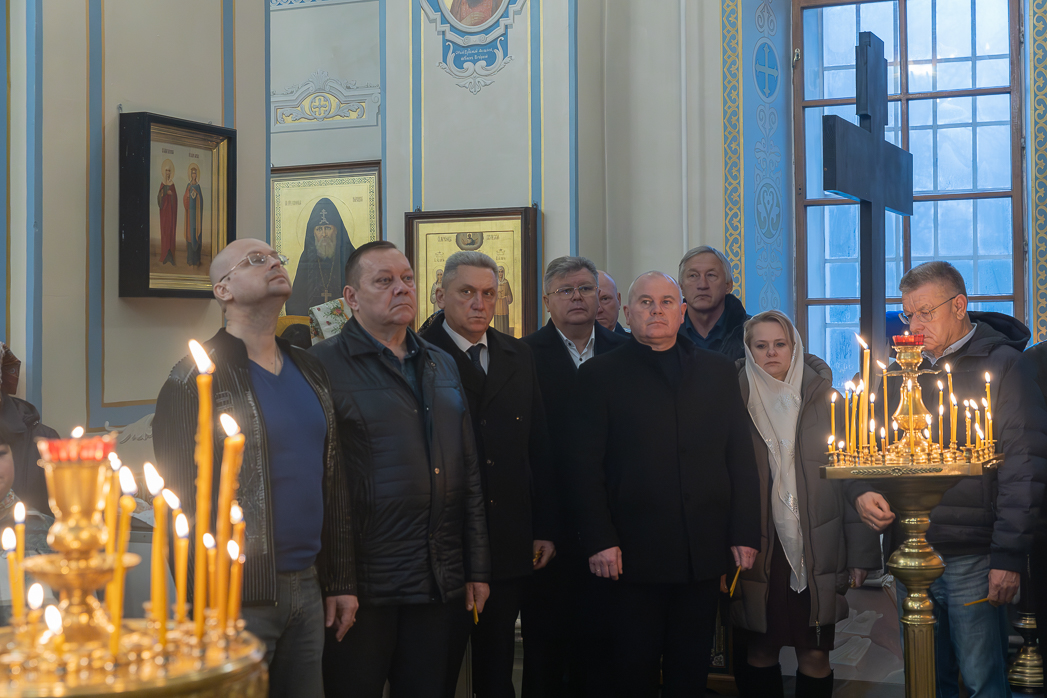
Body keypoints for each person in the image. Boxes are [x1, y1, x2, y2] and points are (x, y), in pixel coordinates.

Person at [153, 238, 358, 698]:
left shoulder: (309, 368)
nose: (274, 264)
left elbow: (333, 478)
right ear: (223, 290)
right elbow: (178, 502)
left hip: (308, 583)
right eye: (255, 260)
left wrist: (341, 579)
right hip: (235, 592)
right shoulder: (193, 377)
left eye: (276, 257)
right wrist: (202, 605)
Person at [851, 261, 1047, 698]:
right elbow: (865, 449)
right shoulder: (900, 371)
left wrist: (1008, 555)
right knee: (924, 681)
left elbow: (1025, 466)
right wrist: (861, 490)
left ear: (959, 306)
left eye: (925, 312)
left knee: (982, 683)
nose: (914, 326)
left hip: (974, 553)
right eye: (908, 315)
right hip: (909, 549)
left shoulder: (1004, 366)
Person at [310, 241, 490, 698]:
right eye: (384, 281)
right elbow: (323, 486)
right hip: (363, 587)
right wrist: (338, 581)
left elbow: (468, 472)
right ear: (351, 298)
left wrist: (477, 567)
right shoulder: (321, 366)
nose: (401, 289)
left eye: (407, 279)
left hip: (437, 579)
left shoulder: (439, 362)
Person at [571, 271, 760, 697]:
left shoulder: (717, 371)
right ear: (627, 312)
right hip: (628, 555)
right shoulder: (599, 374)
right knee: (631, 670)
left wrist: (744, 532)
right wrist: (599, 539)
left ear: (682, 312)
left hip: (701, 551)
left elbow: (739, 457)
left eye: (666, 302)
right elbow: (584, 468)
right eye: (645, 302)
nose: (656, 310)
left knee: (690, 670)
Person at [420, 251, 556, 698]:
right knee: (435, 672)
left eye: (489, 293)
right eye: (466, 292)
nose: (479, 303)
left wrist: (544, 527)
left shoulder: (517, 353)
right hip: (443, 541)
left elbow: (538, 446)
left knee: (497, 672)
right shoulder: (419, 354)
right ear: (440, 295)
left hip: (508, 537)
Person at [732, 310, 880, 698]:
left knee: (815, 654)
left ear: (795, 347)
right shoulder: (732, 398)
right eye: (761, 345)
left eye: (780, 344)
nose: (771, 353)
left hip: (816, 546)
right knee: (760, 650)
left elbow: (852, 477)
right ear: (748, 350)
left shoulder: (826, 398)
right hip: (758, 545)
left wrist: (861, 553)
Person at [521, 255, 628, 697]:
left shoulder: (625, 352)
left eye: (586, 289)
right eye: (565, 290)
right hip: (551, 526)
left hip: (613, 524)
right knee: (546, 651)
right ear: (547, 300)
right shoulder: (522, 355)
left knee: (605, 650)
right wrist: (541, 525)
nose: (577, 298)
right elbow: (526, 449)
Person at [286, 198, 357, 316]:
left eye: (328, 228)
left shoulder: (351, 258)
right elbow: (295, 303)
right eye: (319, 229)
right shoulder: (307, 260)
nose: (324, 234)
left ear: (336, 231)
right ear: (313, 234)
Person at [677, 246, 750, 360]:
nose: (702, 285)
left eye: (711, 275)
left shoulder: (752, 333)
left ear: (728, 285)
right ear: (681, 287)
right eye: (693, 276)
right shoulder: (664, 332)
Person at [157, 159, 178, 266]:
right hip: (164, 213)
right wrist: (165, 192)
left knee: (170, 232)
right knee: (165, 232)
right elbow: (159, 197)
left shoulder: (172, 184)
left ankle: (171, 256)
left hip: (171, 213)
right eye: (166, 171)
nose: (168, 173)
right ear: (164, 172)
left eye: (169, 171)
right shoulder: (162, 184)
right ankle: (165, 255)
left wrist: (172, 194)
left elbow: (175, 199)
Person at [596, 270, 629, 337]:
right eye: (592, 301)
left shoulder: (637, 342)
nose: (598, 310)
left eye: (605, 299)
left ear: (618, 300)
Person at [183, 162, 204, 267]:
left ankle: (197, 259)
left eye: (195, 173)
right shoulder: (189, 186)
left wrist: (198, 196)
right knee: (190, 237)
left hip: (196, 217)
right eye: (192, 173)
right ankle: (190, 259)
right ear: (190, 175)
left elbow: (202, 202)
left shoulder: (198, 187)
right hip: (189, 217)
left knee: (196, 236)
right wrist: (187, 195)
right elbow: (185, 200)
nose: (194, 175)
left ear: (197, 175)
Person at [493, 266, 513, 336]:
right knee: (498, 322)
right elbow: (491, 295)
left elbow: (510, 295)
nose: (500, 273)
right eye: (499, 272)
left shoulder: (506, 283)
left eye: (501, 272)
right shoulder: (494, 283)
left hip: (504, 305)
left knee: (504, 322)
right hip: (497, 306)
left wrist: (506, 297)